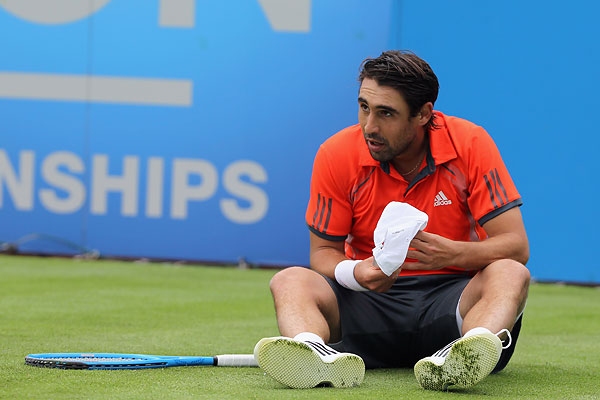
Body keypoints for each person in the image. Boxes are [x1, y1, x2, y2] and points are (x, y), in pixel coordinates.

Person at [253, 50, 530, 391]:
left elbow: (516, 246)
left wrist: (453, 254)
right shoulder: (335, 154)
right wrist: (357, 273)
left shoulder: (471, 143)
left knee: (511, 273)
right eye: (364, 107)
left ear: (424, 114)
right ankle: (312, 353)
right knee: (289, 280)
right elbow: (323, 252)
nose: (369, 126)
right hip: (366, 303)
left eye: (386, 113)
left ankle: (470, 352)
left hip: (453, 305)